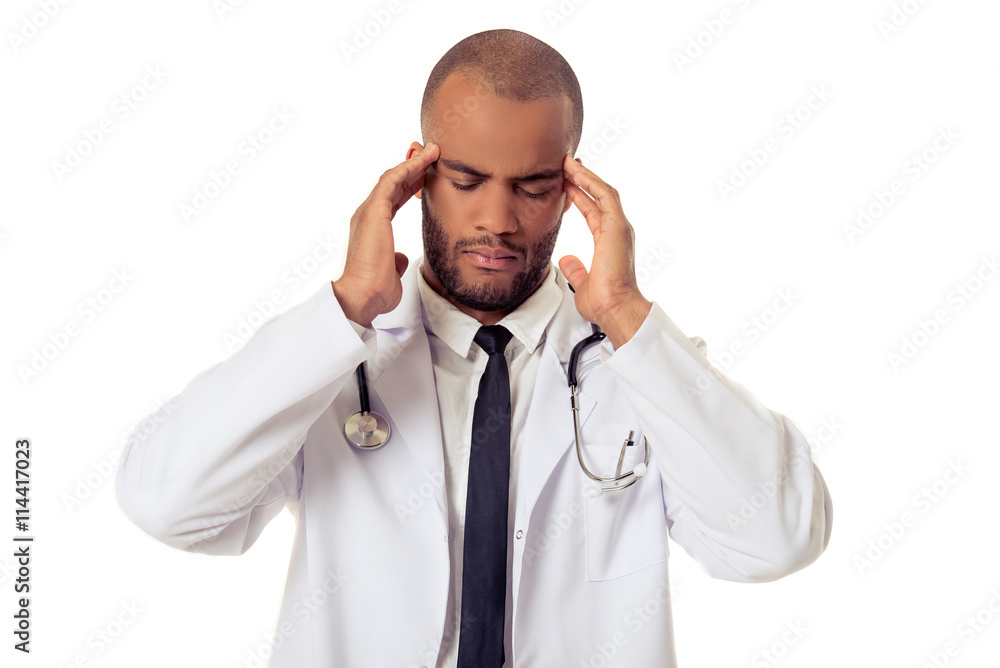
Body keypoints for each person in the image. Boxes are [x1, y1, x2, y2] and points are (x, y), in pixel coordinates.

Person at [116, 28, 832, 668]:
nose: (497, 219)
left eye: (533, 187)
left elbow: (779, 540)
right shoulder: (331, 363)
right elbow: (167, 505)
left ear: (573, 188)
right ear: (416, 176)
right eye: (466, 181)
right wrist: (346, 308)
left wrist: (625, 315)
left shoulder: (639, 369)